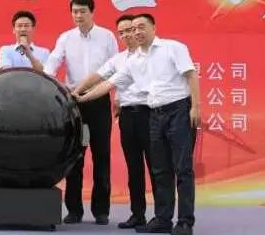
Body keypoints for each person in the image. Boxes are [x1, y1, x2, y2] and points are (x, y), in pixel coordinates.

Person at [79, 13, 200, 235]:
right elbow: (108, 83)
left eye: (141, 27)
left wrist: (195, 107)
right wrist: (80, 98)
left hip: (179, 111)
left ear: (154, 27)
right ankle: (163, 220)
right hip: (154, 115)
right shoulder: (132, 61)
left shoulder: (172, 48)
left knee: (183, 169)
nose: (136, 32)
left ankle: (185, 221)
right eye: (133, 29)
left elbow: (191, 75)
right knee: (160, 170)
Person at [71, 14, 155, 229]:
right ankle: (138, 214)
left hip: (152, 114)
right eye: (122, 32)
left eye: (131, 30)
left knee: (157, 167)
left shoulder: (156, 54)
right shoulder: (119, 60)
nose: (127, 35)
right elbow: (99, 77)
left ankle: (162, 216)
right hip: (127, 115)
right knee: (134, 168)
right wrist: (78, 93)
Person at [43, 0, 118, 225]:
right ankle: (74, 210)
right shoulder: (66, 38)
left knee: (101, 156)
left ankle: (101, 211)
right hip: (74, 102)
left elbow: (118, 68)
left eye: (83, 11)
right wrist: (47, 81)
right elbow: (52, 62)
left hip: (99, 100)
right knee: (74, 156)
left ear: (92, 12)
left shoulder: (107, 36)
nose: (78, 15)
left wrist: (118, 98)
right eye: (74, 11)